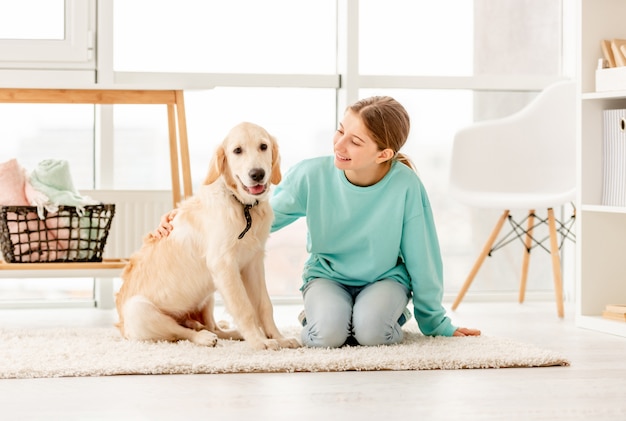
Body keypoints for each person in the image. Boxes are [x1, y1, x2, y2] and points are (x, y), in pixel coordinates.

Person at [153, 96, 481, 348]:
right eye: (341, 131)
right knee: (325, 336)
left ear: (383, 154)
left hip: (384, 279)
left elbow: (424, 259)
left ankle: (373, 317)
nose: (339, 144)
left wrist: (437, 323)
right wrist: (185, 221)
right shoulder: (312, 175)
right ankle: (329, 316)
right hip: (328, 278)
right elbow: (256, 220)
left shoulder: (406, 186)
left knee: (371, 333)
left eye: (356, 141)